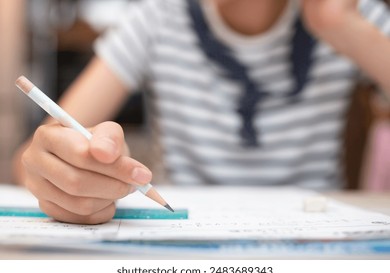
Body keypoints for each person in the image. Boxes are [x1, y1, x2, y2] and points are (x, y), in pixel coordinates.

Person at [12, 0, 390, 224]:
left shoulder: (351, 13)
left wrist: (343, 28)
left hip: (319, 240)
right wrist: (76, 170)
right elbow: (33, 157)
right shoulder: (158, 16)